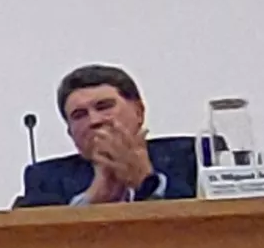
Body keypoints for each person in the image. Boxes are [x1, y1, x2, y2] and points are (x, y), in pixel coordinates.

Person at [15, 64, 198, 206]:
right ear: (70, 132)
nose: (94, 120)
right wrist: (93, 199)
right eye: (79, 115)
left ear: (139, 112)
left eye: (104, 106)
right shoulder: (45, 179)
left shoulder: (190, 156)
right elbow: (41, 241)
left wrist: (146, 182)